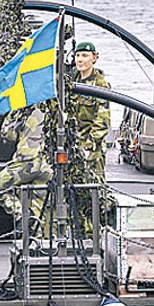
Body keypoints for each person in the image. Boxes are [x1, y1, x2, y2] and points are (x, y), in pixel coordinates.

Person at [68, 40, 111, 232]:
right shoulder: (71, 80)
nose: (80, 60)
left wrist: (89, 146)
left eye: (85, 56)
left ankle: (97, 231)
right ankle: (79, 230)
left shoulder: (100, 84)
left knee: (94, 190)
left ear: (94, 58)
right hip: (72, 144)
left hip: (90, 149)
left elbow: (102, 121)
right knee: (74, 188)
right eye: (78, 55)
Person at [0, 105, 52, 235]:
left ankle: (21, 214)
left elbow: (9, 135)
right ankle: (38, 243)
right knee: (39, 208)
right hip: (48, 163)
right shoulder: (54, 107)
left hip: (27, 162)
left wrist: (11, 115)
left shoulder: (22, 109)